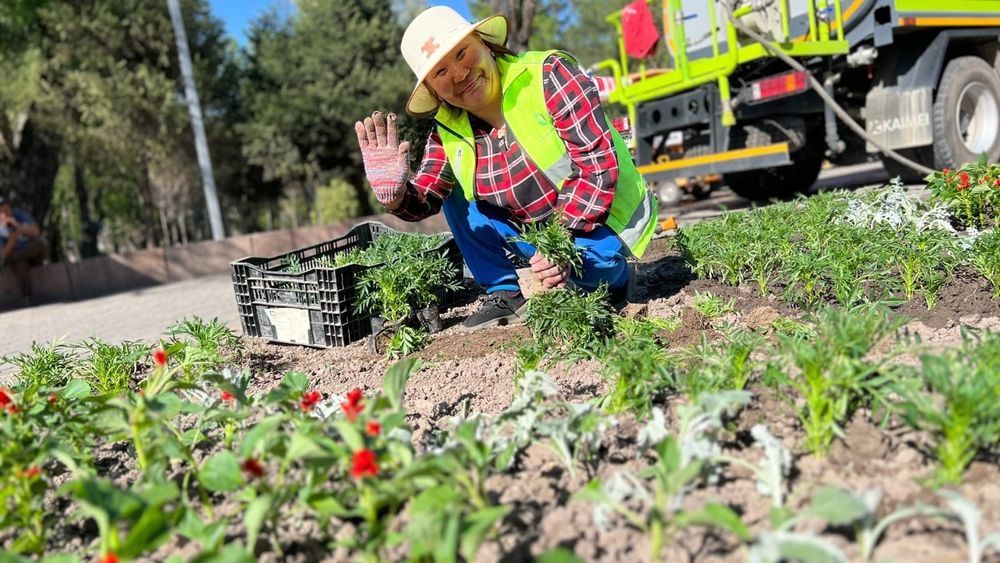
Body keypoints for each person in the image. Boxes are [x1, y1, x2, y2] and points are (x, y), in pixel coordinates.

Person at [354, 6, 658, 331]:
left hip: (606, 223)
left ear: (483, 43)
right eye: (440, 73)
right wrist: (396, 196)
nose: (459, 75)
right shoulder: (449, 131)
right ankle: (504, 293)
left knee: (583, 281)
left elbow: (597, 164)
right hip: (544, 235)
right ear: (431, 89)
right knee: (454, 190)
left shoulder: (547, 75)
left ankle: (621, 274)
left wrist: (561, 243)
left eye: (462, 53)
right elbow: (426, 198)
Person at [0, 195, 49, 305]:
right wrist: (12, 240)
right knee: (19, 262)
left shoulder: (19, 215)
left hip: (33, 253)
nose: (3, 210)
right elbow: (2, 253)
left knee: (40, 244)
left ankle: (14, 258)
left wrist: (17, 226)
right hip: (18, 257)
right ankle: (27, 296)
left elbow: (36, 232)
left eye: (3, 206)